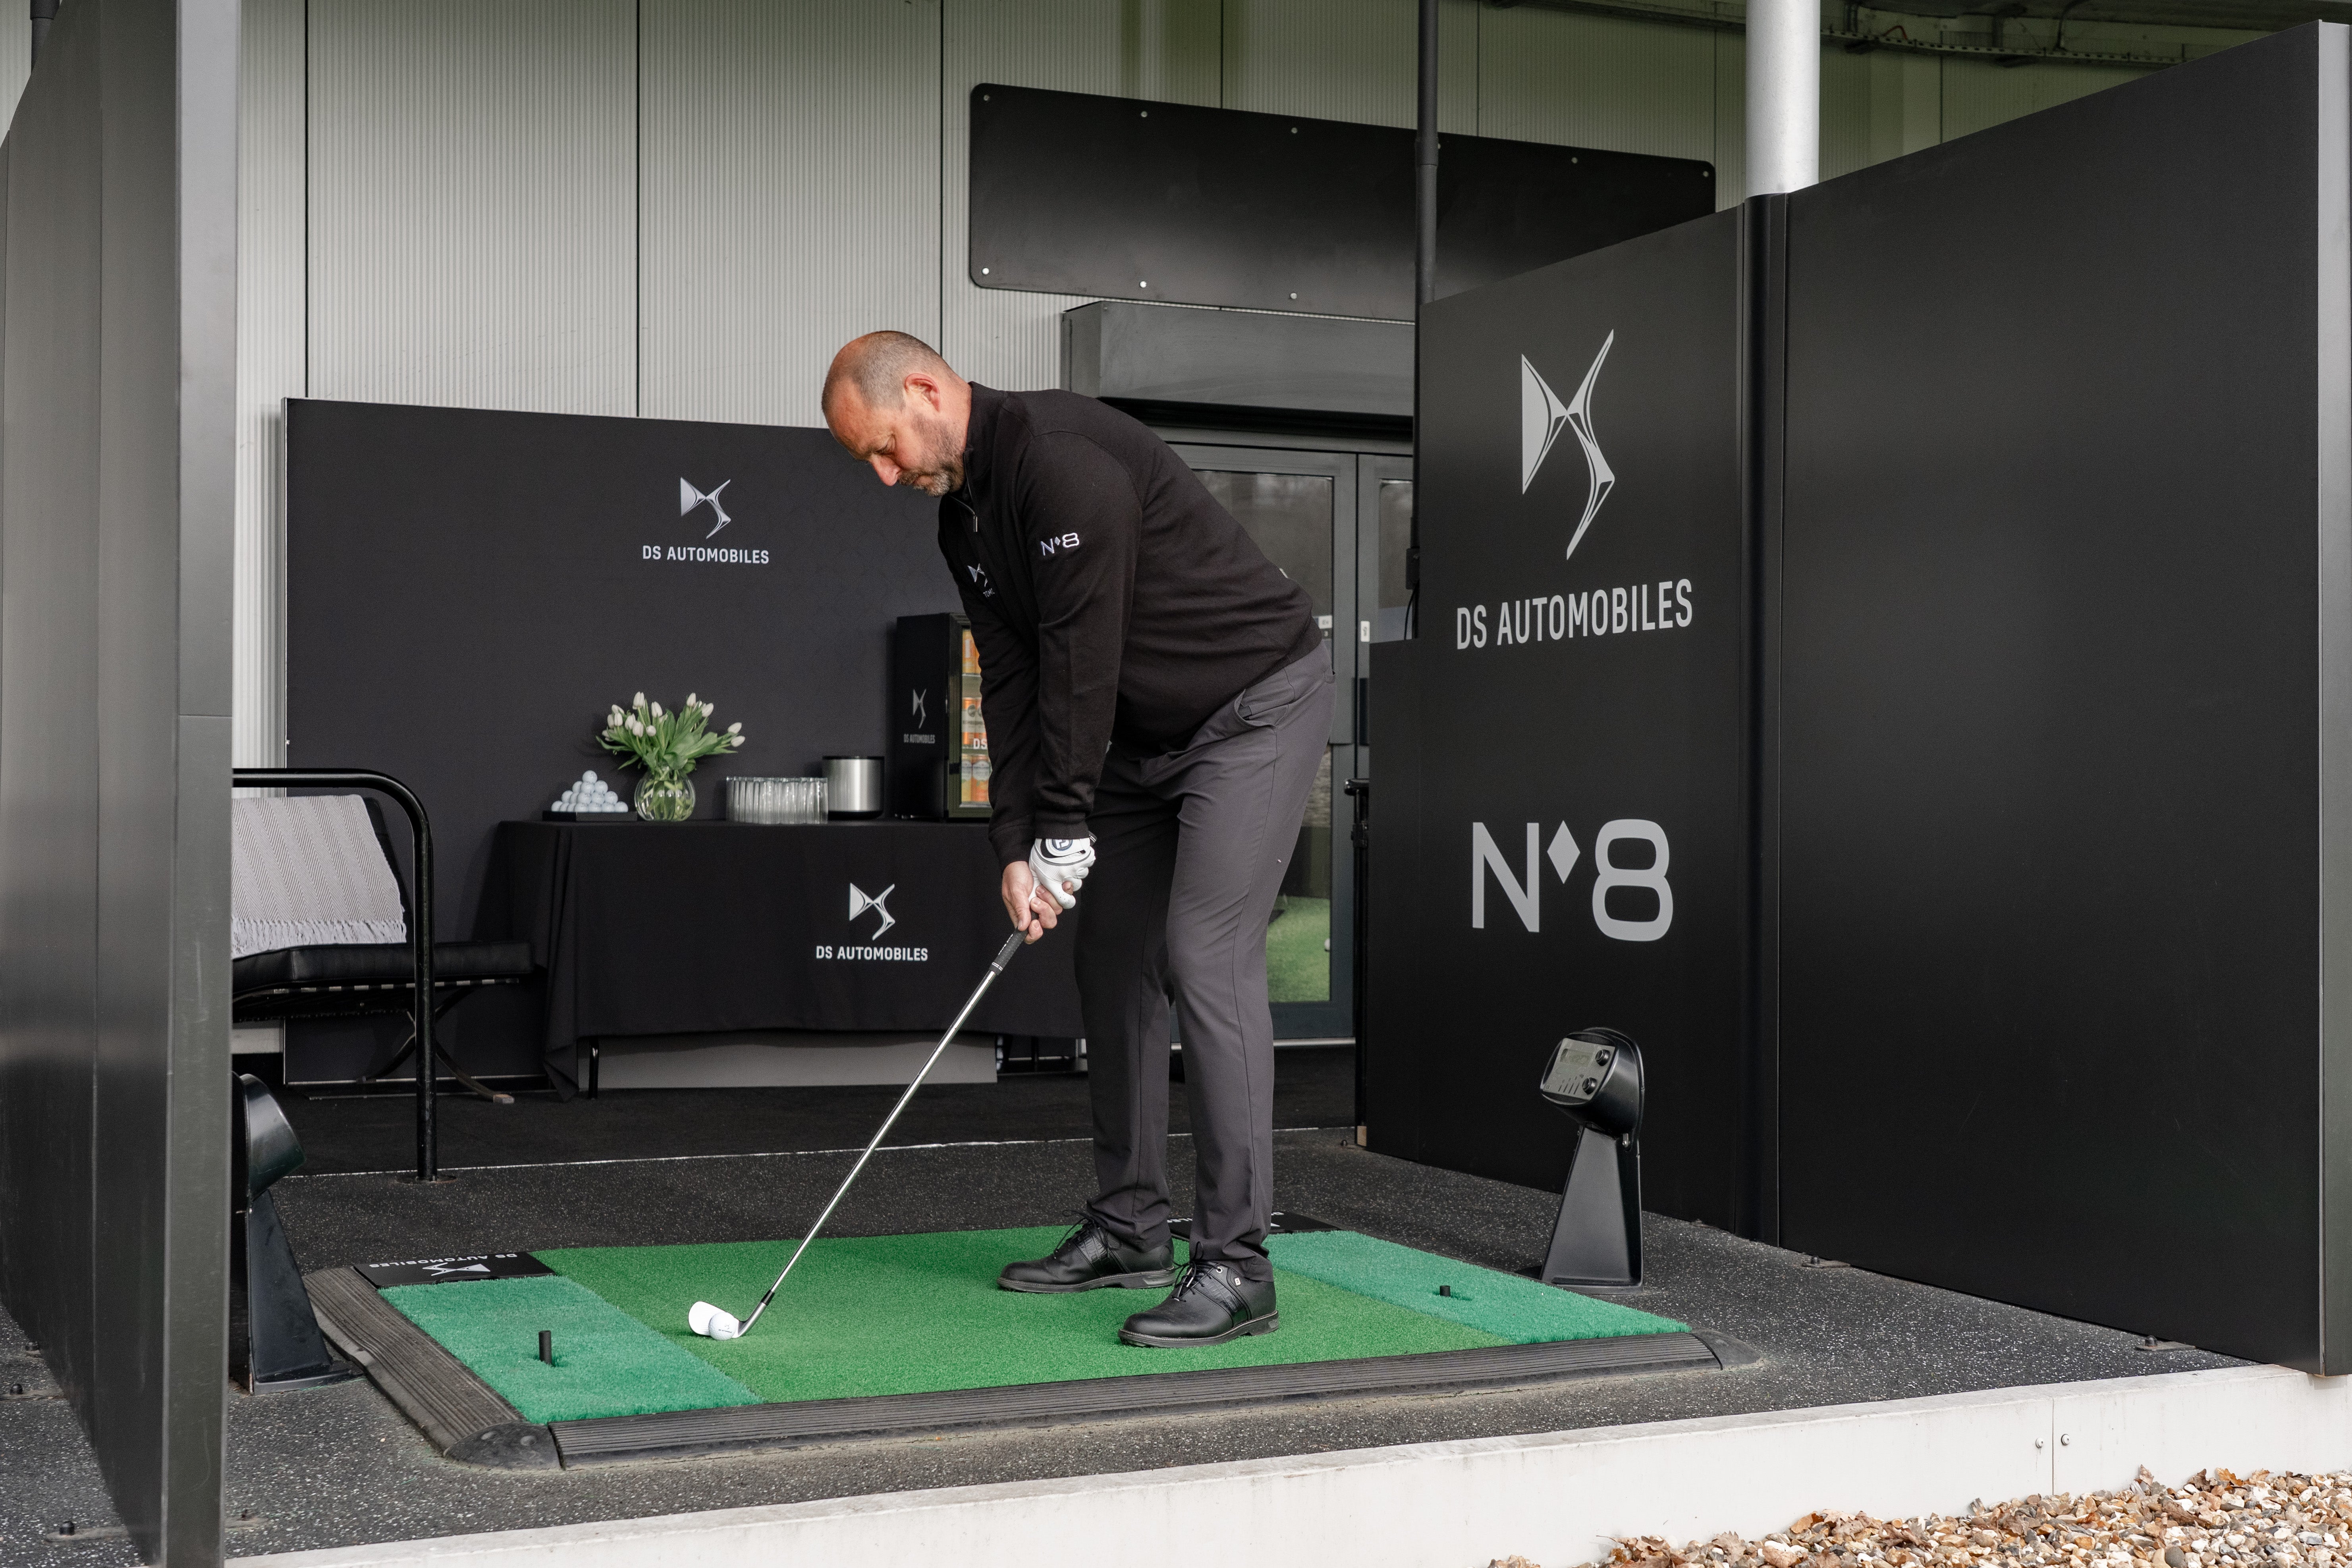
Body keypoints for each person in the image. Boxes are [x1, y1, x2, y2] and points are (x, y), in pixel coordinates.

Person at [822, 330, 1333, 1348]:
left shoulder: (1063, 462)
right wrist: (1017, 842)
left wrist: (1064, 822)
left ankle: (1238, 1264)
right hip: (1142, 744)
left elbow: (1081, 659)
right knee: (1111, 963)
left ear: (925, 390)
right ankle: (1132, 1225)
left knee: (1205, 953)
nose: (884, 475)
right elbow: (1012, 680)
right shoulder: (962, 521)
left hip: (1251, 710)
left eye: (883, 447)